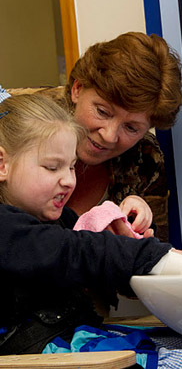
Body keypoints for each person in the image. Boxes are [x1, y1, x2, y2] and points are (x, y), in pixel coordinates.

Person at [0, 89, 180, 356]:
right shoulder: (6, 229)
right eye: (52, 167)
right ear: (2, 165)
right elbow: (75, 251)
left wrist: (125, 229)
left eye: (72, 167)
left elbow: (98, 261)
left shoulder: (61, 219)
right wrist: (152, 255)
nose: (69, 180)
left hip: (77, 338)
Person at [10, 31, 181, 242]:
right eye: (102, 112)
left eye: (131, 128)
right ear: (78, 88)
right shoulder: (19, 122)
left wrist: (140, 226)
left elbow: (152, 254)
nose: (109, 136)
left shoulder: (146, 160)